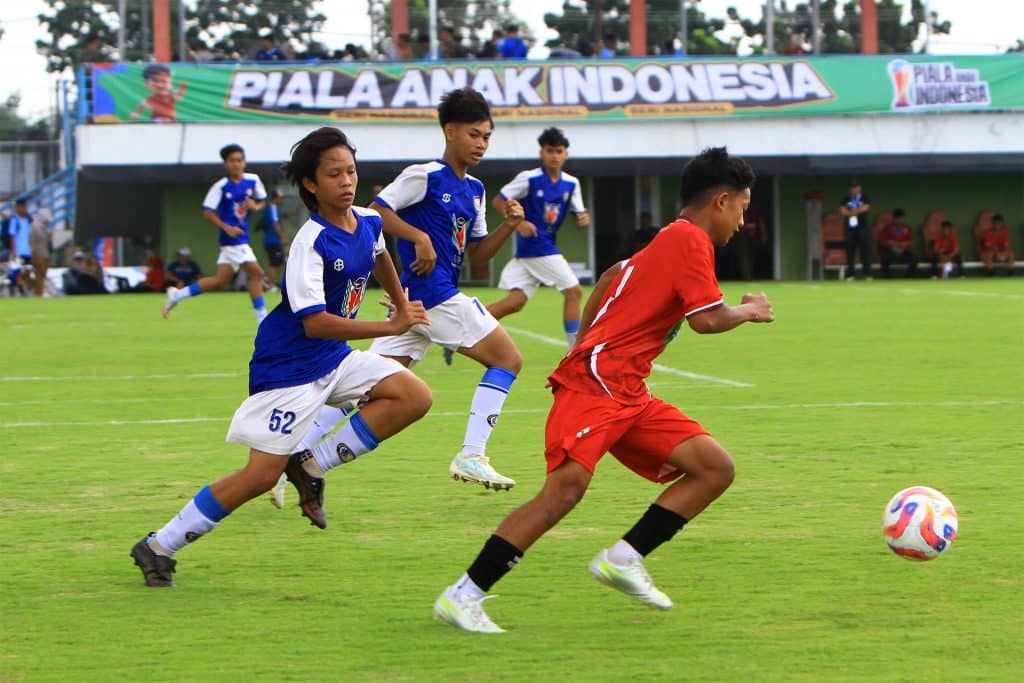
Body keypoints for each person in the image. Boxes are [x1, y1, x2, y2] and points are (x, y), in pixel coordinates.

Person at [433, 146, 774, 633]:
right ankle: (462, 595)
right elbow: (707, 319)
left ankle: (624, 558)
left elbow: (615, 273)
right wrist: (750, 310)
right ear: (721, 200)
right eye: (742, 208)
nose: (742, 221)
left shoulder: (670, 238)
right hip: (597, 385)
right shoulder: (690, 240)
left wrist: (582, 342)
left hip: (625, 389)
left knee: (714, 467)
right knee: (562, 493)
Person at [130, 126, 433, 587]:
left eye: (351, 171)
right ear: (311, 184)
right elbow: (315, 323)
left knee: (413, 396)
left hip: (333, 357)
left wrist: (401, 300)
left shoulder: (368, 221)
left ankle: (310, 464)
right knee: (257, 477)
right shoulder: (310, 243)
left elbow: (380, 255)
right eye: (334, 174)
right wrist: (390, 326)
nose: (347, 181)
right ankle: (157, 546)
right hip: (288, 368)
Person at [358, 86, 524, 492]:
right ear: (450, 131)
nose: (481, 143)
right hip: (434, 295)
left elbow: (479, 256)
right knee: (507, 360)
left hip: (416, 302)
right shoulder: (425, 175)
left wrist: (509, 227)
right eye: (474, 134)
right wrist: (419, 237)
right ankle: (472, 454)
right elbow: (376, 211)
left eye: (487, 136)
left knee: (363, 387)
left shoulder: (477, 190)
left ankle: (298, 456)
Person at [477, 127, 589, 351]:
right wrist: (519, 224)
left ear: (566, 154)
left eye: (559, 151)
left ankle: (466, 325)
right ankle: (575, 351)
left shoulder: (572, 184)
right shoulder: (529, 178)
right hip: (538, 245)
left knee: (515, 302)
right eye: (550, 151)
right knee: (574, 291)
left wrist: (582, 219)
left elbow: (578, 215)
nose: (554, 156)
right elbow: (499, 200)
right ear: (541, 153)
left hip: (537, 248)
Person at [162, 144, 269, 323]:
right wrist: (227, 228)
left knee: (220, 281)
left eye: (240, 160)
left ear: (244, 162)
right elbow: (207, 211)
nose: (237, 164)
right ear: (225, 164)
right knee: (257, 274)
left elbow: (262, 201)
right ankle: (262, 319)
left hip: (242, 237)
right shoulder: (221, 186)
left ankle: (177, 295)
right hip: (232, 239)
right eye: (232, 161)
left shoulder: (253, 180)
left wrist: (255, 206)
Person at [839, 181, 872, 280]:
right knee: (850, 252)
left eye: (856, 187)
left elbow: (865, 208)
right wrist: (853, 213)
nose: (854, 189)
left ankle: (867, 273)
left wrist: (853, 212)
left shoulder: (864, 198)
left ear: (859, 188)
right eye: (852, 188)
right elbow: (842, 211)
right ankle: (850, 274)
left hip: (862, 229)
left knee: (864, 252)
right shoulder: (846, 199)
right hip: (850, 230)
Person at [258, 189, 289, 289]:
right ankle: (270, 285)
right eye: (280, 198)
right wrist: (283, 237)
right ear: (275, 198)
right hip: (272, 241)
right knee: (275, 263)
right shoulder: (272, 208)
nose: (282, 200)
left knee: (278, 262)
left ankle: (267, 281)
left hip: (273, 241)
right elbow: (275, 224)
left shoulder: (274, 209)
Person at [877, 208, 918, 278]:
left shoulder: (906, 228)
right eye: (897, 218)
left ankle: (908, 278)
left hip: (903, 252)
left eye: (901, 218)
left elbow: (912, 241)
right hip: (891, 251)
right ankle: (888, 278)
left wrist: (905, 243)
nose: (899, 220)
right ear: (894, 219)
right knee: (885, 259)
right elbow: (882, 241)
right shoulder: (887, 228)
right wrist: (889, 243)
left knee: (914, 259)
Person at [28, 208, 52, 297]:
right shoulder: (35, 227)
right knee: (39, 275)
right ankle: (38, 292)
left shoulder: (44, 228)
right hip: (38, 254)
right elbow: (32, 242)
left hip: (45, 254)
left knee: (42, 275)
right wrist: (33, 254)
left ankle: (39, 291)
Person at [7, 198, 32, 265]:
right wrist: (14, 252)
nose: (24, 208)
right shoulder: (14, 220)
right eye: (22, 206)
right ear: (17, 207)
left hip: (28, 252)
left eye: (25, 206)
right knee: (18, 270)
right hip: (18, 253)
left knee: (28, 270)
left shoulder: (28, 220)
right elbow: (12, 236)